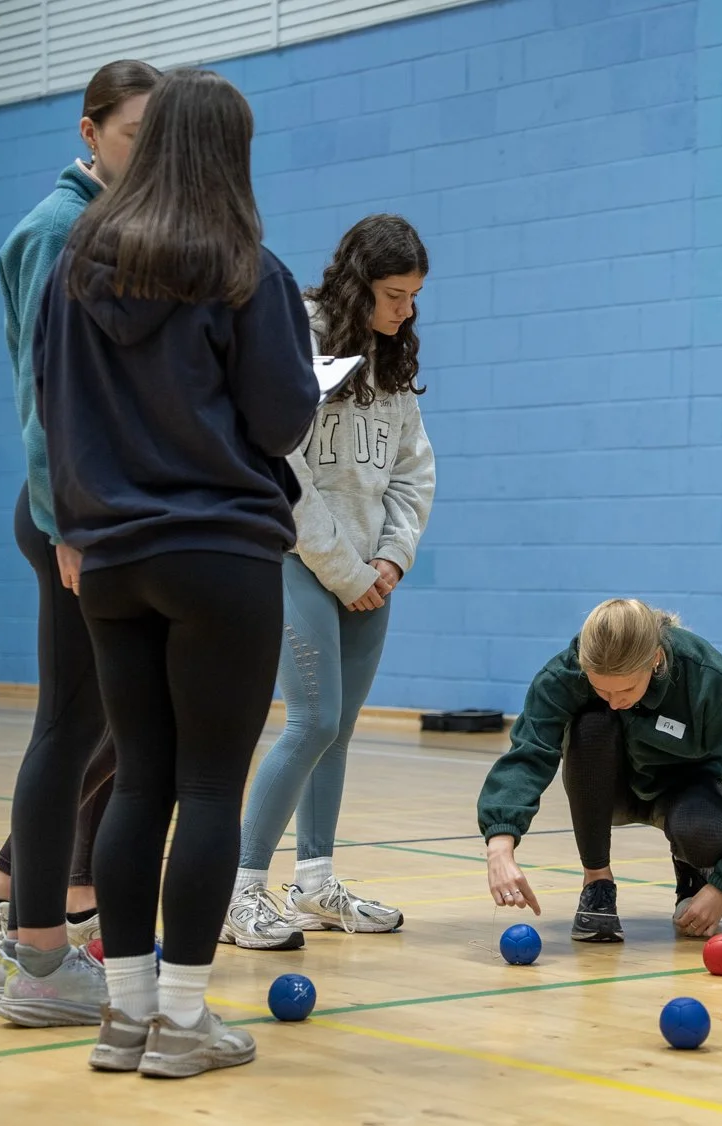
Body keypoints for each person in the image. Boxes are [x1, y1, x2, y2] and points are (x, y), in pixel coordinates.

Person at [34, 67, 318, 1075]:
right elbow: (284, 418)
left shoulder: (76, 267)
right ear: (231, 157)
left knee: (138, 783)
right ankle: (186, 1023)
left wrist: (81, 525)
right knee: (207, 785)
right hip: (218, 554)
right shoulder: (248, 270)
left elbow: (54, 413)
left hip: (109, 560)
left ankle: (123, 1016)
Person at [0, 58, 160, 1012]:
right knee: (71, 727)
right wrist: (68, 523)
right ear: (89, 130)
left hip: (116, 515)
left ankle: (35, 917)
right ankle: (22, 941)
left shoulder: (120, 229)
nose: (145, 154)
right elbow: (44, 395)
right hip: (70, 517)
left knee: (111, 725)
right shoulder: (55, 230)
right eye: (130, 136)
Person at [225, 215, 435, 949]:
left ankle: (314, 883)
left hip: (369, 576)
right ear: (358, 284)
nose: (404, 309)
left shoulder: (391, 358)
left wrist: (391, 558)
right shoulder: (301, 334)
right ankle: (238, 891)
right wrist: (346, 571)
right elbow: (287, 467)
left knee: (338, 730)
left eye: (412, 296)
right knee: (310, 721)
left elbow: (413, 470)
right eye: (392, 294)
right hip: (298, 560)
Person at [478, 600, 722, 942]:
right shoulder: (563, 675)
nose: (614, 701)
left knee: (704, 832)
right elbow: (529, 754)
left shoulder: (711, 681)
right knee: (592, 724)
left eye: (626, 689)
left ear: (656, 659)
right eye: (601, 689)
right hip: (606, 787)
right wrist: (500, 843)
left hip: (684, 786)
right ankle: (597, 882)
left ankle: (693, 874)